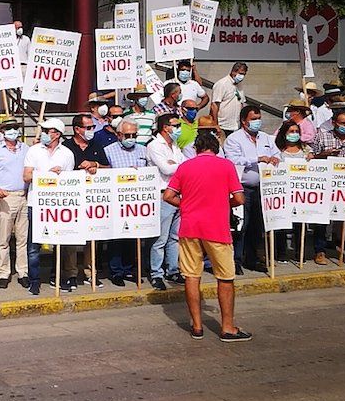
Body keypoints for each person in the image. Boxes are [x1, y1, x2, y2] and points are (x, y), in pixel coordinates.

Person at [163, 133, 251, 342]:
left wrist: (185, 204)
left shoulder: (185, 167)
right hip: (216, 228)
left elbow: (168, 195)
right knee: (225, 277)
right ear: (216, 148)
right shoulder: (226, 166)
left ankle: (196, 325)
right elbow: (239, 198)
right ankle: (227, 327)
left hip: (190, 226)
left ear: (196, 148)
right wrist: (223, 204)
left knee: (192, 276)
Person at [224, 106, 279, 274]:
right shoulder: (234, 139)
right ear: (244, 121)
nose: (257, 122)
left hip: (263, 188)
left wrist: (275, 158)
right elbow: (234, 160)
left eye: (259, 118)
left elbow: (277, 153)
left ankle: (252, 258)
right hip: (243, 188)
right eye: (254, 119)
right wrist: (257, 159)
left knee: (257, 225)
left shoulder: (267, 138)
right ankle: (236, 260)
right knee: (242, 225)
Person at [23, 118, 75, 295]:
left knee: (60, 242)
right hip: (36, 203)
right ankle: (34, 280)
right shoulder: (34, 150)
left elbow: (70, 182)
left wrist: (59, 176)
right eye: (43, 130)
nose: (44, 133)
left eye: (48, 130)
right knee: (33, 245)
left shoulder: (67, 154)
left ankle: (58, 277)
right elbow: (26, 176)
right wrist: (47, 175)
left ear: (57, 134)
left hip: (58, 205)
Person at [0, 118, 30, 289]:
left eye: (15, 128)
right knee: (3, 238)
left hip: (24, 195)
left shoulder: (26, 149)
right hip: (5, 196)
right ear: (2, 132)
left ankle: (23, 271)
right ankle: (4, 273)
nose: (12, 131)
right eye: (9, 129)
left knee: (23, 238)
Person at [63, 114, 110, 289]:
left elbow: (108, 166)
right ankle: (71, 273)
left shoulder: (97, 144)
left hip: (93, 199)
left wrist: (95, 164)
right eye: (88, 127)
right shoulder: (66, 147)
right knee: (72, 239)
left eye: (92, 127)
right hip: (73, 198)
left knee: (92, 237)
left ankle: (91, 272)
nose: (92, 130)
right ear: (77, 129)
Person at [104, 119, 148, 286]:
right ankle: (116, 272)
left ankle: (131, 270)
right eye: (128, 135)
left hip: (137, 203)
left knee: (133, 238)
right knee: (117, 238)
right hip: (117, 202)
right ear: (119, 135)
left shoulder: (143, 150)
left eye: (134, 135)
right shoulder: (109, 151)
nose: (131, 138)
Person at [146, 113, 186, 290]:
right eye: (175, 125)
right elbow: (166, 168)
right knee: (160, 238)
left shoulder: (175, 145)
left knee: (175, 236)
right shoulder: (155, 146)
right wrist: (178, 166)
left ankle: (173, 269)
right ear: (165, 127)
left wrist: (176, 166)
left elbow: (181, 165)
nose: (178, 128)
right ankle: (156, 273)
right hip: (163, 194)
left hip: (179, 193)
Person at [310, 110, 345, 266]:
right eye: (343, 123)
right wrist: (323, 154)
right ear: (334, 122)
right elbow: (310, 156)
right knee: (322, 218)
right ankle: (319, 250)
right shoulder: (323, 136)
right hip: (326, 184)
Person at [273, 120, 313, 265]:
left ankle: (299, 252)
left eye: (297, 132)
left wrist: (311, 159)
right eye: (291, 132)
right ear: (284, 134)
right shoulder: (277, 150)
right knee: (282, 223)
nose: (294, 134)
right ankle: (281, 252)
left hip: (300, 192)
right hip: (283, 191)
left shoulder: (306, 149)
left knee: (300, 223)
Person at [210, 62, 248, 132]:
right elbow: (214, 105)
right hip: (223, 126)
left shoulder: (239, 85)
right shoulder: (222, 84)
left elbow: (241, 102)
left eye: (244, 74)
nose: (242, 76)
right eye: (240, 74)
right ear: (233, 72)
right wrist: (215, 124)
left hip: (236, 125)